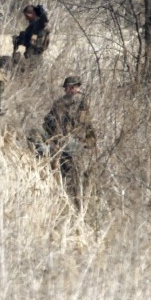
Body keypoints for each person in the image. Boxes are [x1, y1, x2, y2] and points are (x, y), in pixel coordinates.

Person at [38, 76, 96, 207]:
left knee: (76, 176)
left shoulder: (82, 102)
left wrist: (88, 142)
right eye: (69, 88)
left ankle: (76, 204)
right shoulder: (60, 103)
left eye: (73, 87)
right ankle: (63, 202)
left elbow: (85, 125)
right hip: (62, 142)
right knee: (63, 174)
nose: (71, 90)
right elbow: (48, 121)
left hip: (76, 143)